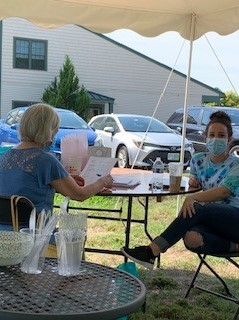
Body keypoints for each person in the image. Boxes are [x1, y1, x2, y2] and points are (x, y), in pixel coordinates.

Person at [121, 111, 239, 269]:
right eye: (211, 135)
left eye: (221, 135)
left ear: (229, 139)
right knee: (192, 239)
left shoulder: (236, 164)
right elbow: (193, 193)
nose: (215, 139)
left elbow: (224, 191)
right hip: (210, 221)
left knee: (198, 207)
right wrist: (192, 186)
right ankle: (234, 247)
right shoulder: (198, 160)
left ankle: (152, 250)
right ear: (205, 138)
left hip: (233, 218)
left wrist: (194, 198)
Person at [0, 103, 113, 220]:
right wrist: (102, 182)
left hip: (5, 233)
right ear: (47, 130)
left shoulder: (4, 157)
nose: (57, 131)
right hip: (36, 234)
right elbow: (79, 195)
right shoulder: (45, 161)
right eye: (55, 128)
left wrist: (64, 178)